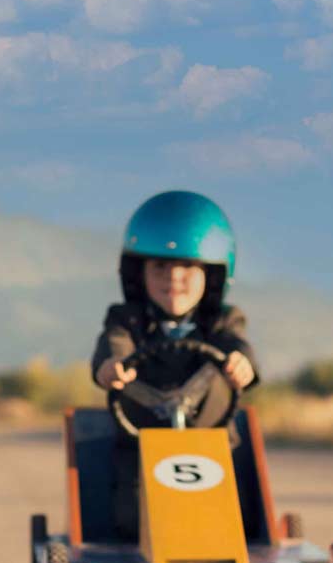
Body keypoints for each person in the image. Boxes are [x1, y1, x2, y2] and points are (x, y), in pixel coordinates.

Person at [90, 191, 259, 541]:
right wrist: (112, 366)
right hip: (141, 445)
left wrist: (243, 365)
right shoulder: (126, 319)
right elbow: (113, 346)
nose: (174, 278)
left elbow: (239, 347)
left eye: (187, 267)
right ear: (138, 273)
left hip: (213, 445)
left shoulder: (223, 322)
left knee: (238, 517)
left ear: (211, 276)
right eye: (160, 267)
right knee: (129, 519)